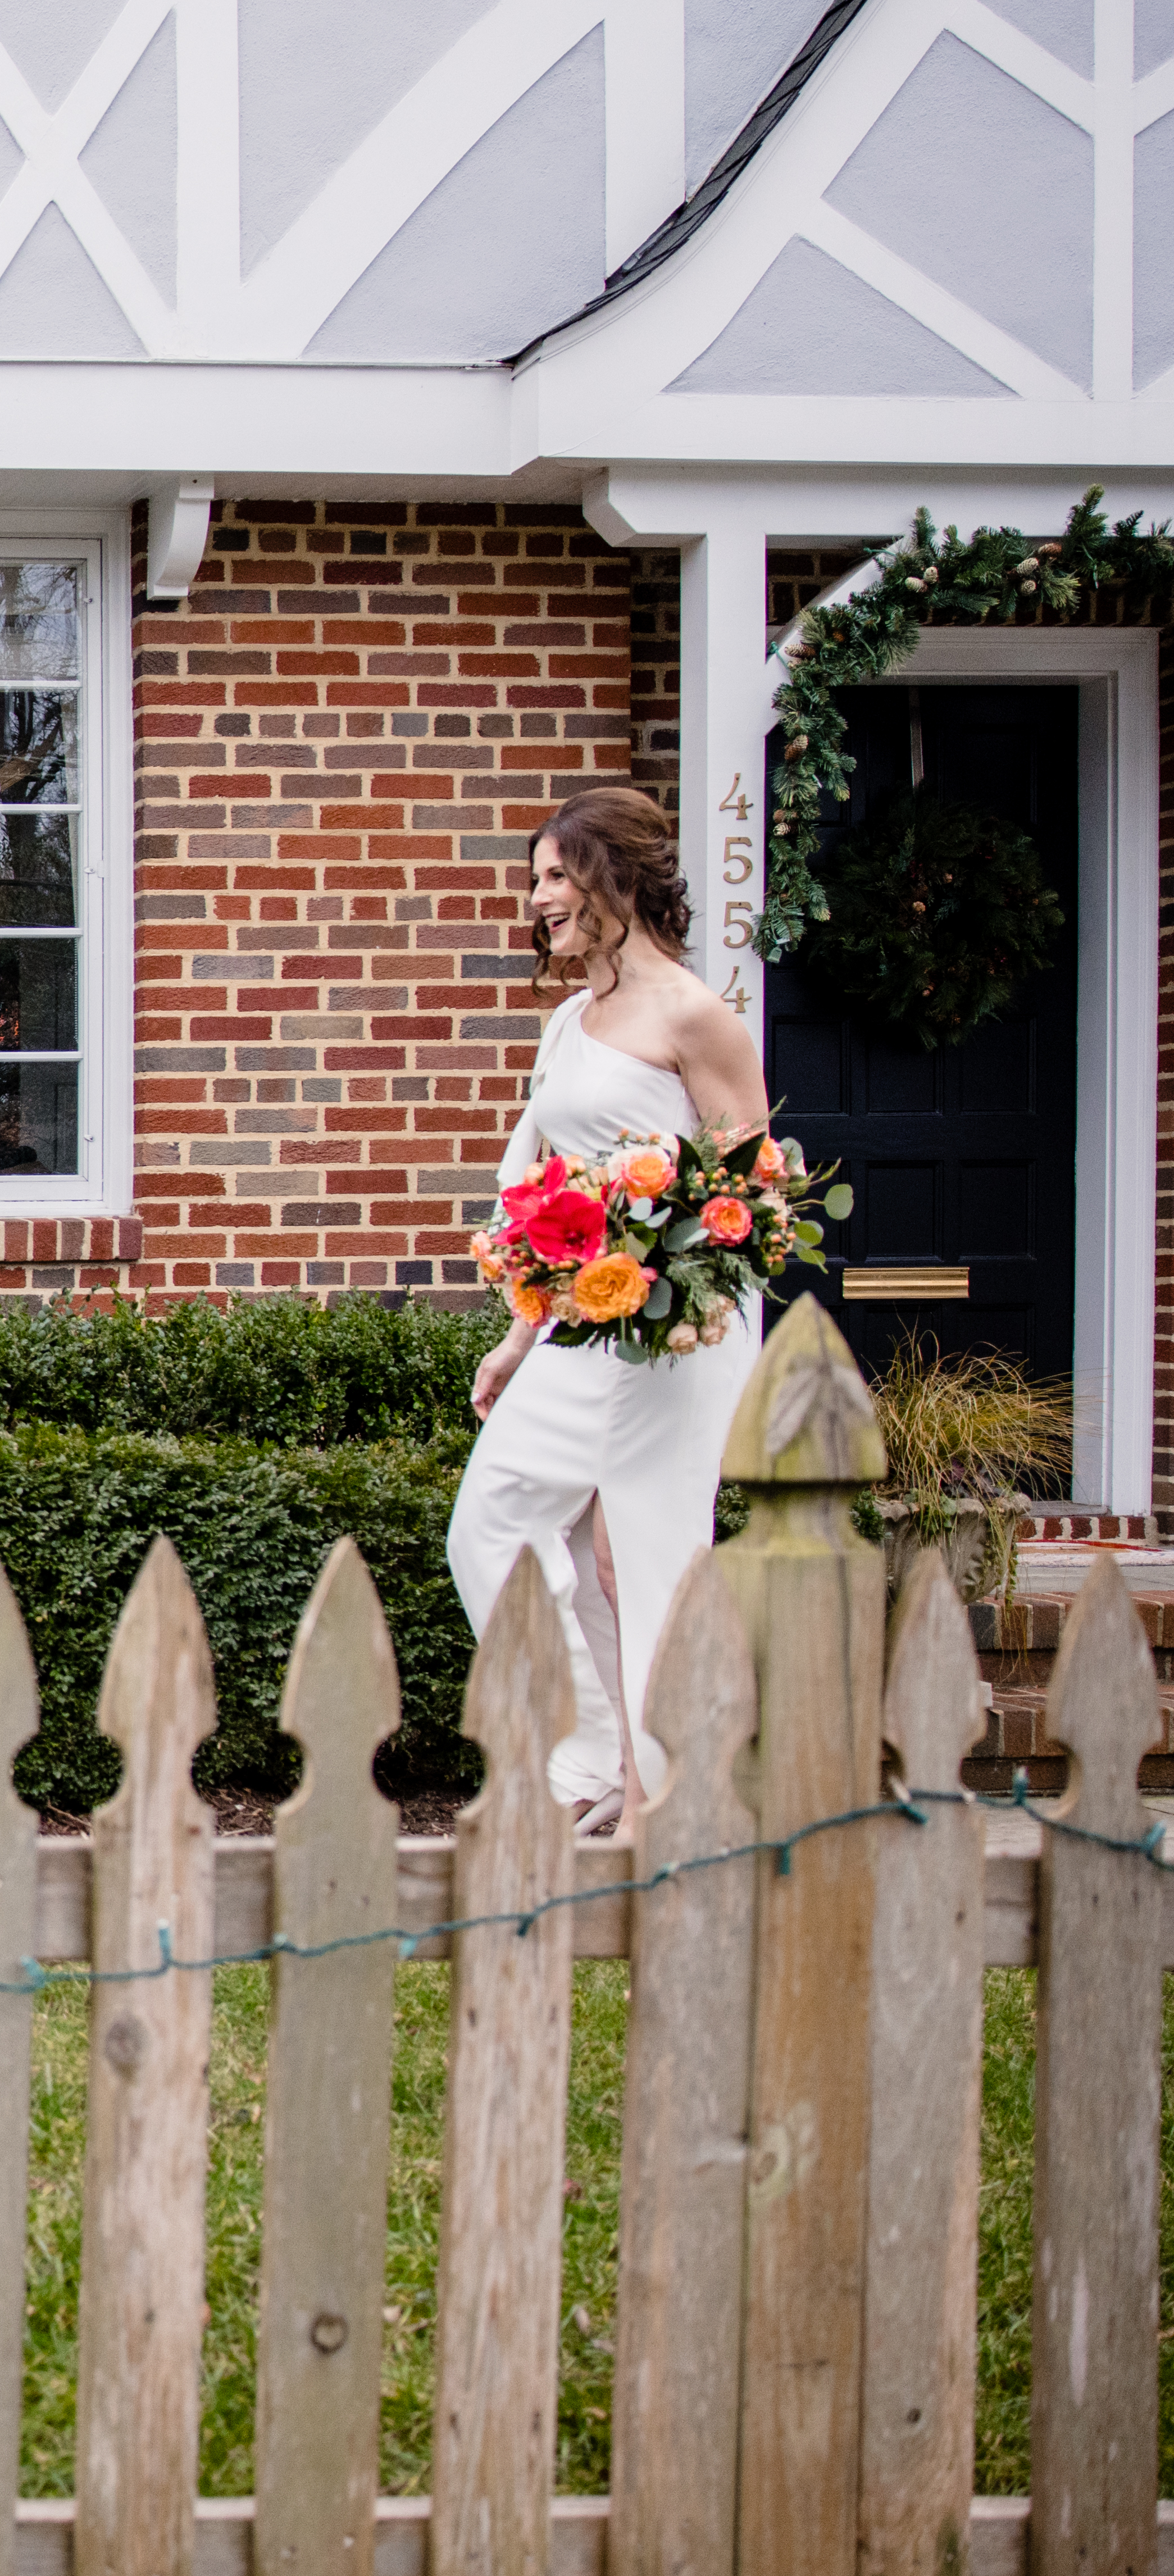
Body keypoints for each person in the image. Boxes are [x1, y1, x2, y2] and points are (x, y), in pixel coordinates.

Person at [445, 785, 772, 1835]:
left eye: (554, 874)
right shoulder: (565, 1021)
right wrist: (518, 1335)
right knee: (489, 1520)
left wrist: (670, 1284)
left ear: (611, 877)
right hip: (583, 1323)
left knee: (643, 1556)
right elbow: (546, 1197)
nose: (537, 896)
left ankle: (657, 1799)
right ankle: (588, 1754)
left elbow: (750, 1196)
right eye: (535, 876)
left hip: (679, 1331)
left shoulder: (692, 1014)